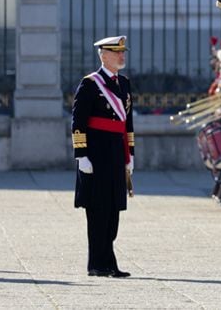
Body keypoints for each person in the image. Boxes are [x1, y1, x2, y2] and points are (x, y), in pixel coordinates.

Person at [72, 36, 135, 278]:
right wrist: (82, 155)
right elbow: (78, 121)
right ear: (103, 55)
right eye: (116, 52)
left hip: (117, 154)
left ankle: (108, 261)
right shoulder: (90, 84)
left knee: (113, 211)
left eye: (123, 52)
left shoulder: (125, 83)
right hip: (96, 156)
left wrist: (130, 153)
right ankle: (97, 263)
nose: (122, 56)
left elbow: (127, 123)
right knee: (98, 211)